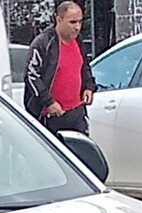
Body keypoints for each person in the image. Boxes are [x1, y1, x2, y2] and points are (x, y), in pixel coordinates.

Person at [24, 2, 96, 136]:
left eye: (80, 22)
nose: (77, 27)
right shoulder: (43, 43)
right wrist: (48, 102)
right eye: (72, 22)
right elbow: (31, 75)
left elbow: (84, 66)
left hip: (77, 112)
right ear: (59, 20)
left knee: (81, 153)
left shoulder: (78, 40)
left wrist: (89, 87)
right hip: (51, 115)